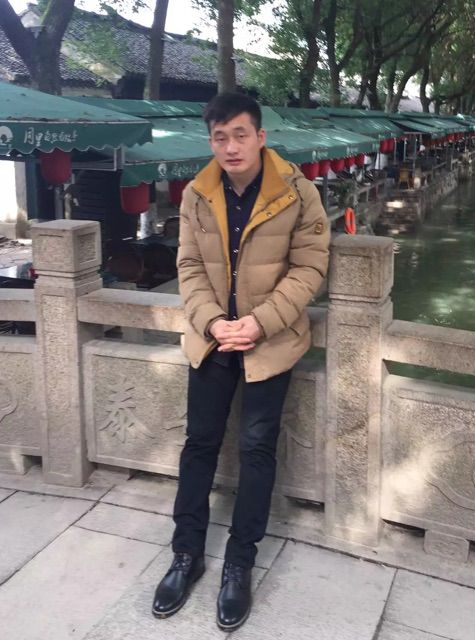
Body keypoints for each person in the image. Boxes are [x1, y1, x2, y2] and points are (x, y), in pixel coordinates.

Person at [151, 93, 330, 631]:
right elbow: (188, 265)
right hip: (211, 341)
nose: (230, 147)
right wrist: (210, 321)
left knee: (256, 450)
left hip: (269, 343)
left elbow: (310, 266)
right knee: (199, 444)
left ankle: (239, 562)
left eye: (240, 135)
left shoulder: (299, 192)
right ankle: (186, 554)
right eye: (220, 137)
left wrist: (261, 322)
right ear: (211, 141)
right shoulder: (196, 193)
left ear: (260, 137)